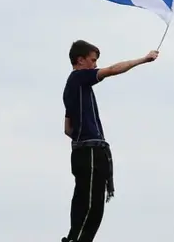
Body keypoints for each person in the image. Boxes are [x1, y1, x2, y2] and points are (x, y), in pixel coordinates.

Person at [61, 40, 159, 242]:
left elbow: (67, 128)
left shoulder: (75, 88)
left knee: (94, 208)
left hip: (88, 151)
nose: (95, 65)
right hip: (89, 152)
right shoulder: (79, 78)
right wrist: (143, 59)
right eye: (93, 60)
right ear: (80, 60)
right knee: (88, 208)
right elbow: (113, 70)